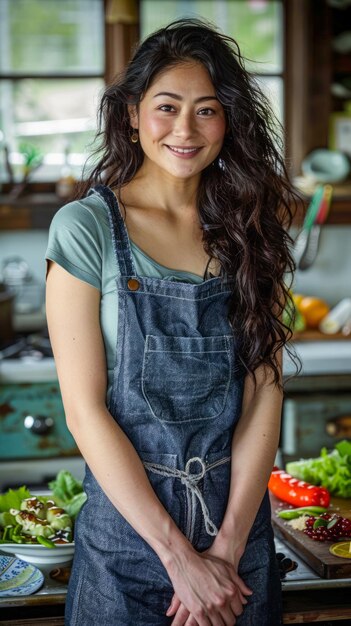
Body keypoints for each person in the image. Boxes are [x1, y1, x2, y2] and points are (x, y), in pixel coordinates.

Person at [45, 18, 296, 626]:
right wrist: (179, 557)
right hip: (130, 549)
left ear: (229, 121)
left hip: (238, 549)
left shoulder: (251, 231)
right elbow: (85, 412)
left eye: (207, 110)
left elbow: (265, 393)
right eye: (166, 106)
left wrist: (228, 548)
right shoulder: (86, 229)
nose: (185, 129)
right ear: (132, 114)